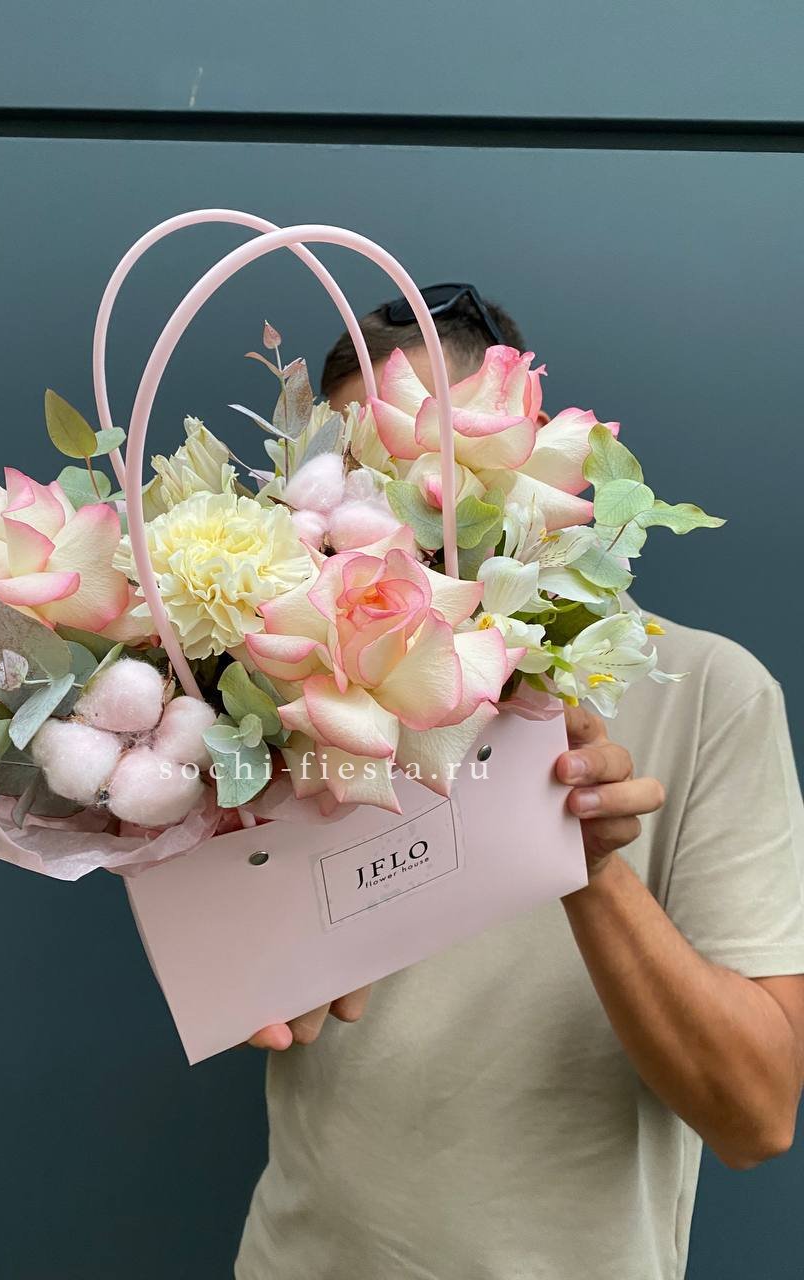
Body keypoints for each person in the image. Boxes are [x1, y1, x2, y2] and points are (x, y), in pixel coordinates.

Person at [233, 287, 804, 1280]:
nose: (392, 513)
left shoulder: (711, 691)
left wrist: (582, 859)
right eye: (355, 478)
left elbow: (756, 1114)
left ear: (530, 459)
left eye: (430, 465)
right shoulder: (279, 684)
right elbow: (257, 985)